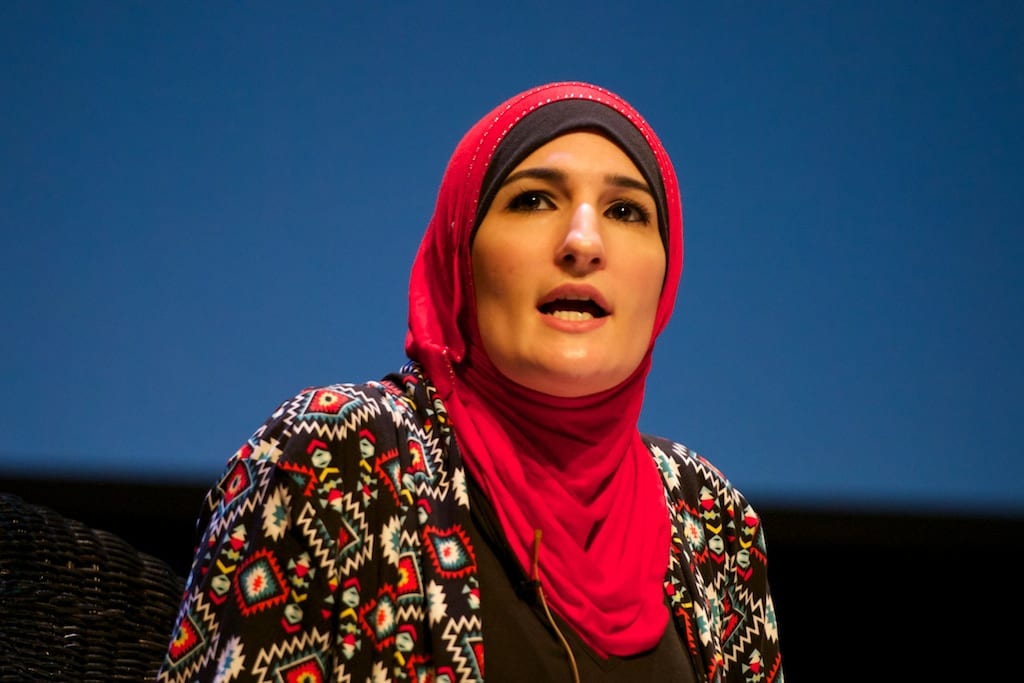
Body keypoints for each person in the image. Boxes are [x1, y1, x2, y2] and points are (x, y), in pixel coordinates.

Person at [157, 81, 784, 683]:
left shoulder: (709, 515)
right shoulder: (344, 453)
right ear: (460, 251)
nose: (583, 242)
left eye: (625, 211)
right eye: (533, 200)